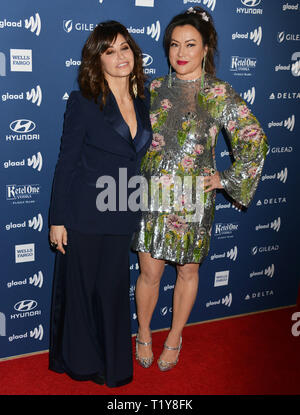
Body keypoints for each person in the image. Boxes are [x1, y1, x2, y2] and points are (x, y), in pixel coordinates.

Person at [132, 7, 268, 371]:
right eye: (175, 44)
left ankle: (174, 336)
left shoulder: (219, 92)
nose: (181, 52)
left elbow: (254, 138)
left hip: (194, 199)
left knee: (188, 273)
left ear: (205, 48)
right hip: (153, 197)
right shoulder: (154, 88)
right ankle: (143, 332)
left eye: (190, 44)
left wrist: (225, 179)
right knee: (149, 273)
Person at [48, 20, 152, 387]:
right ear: (98, 60)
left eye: (125, 48)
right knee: (83, 291)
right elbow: (67, 162)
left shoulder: (144, 101)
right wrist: (58, 219)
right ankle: (81, 363)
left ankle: (113, 365)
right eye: (110, 51)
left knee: (111, 292)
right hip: (85, 214)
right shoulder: (84, 102)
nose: (120, 56)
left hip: (123, 212)